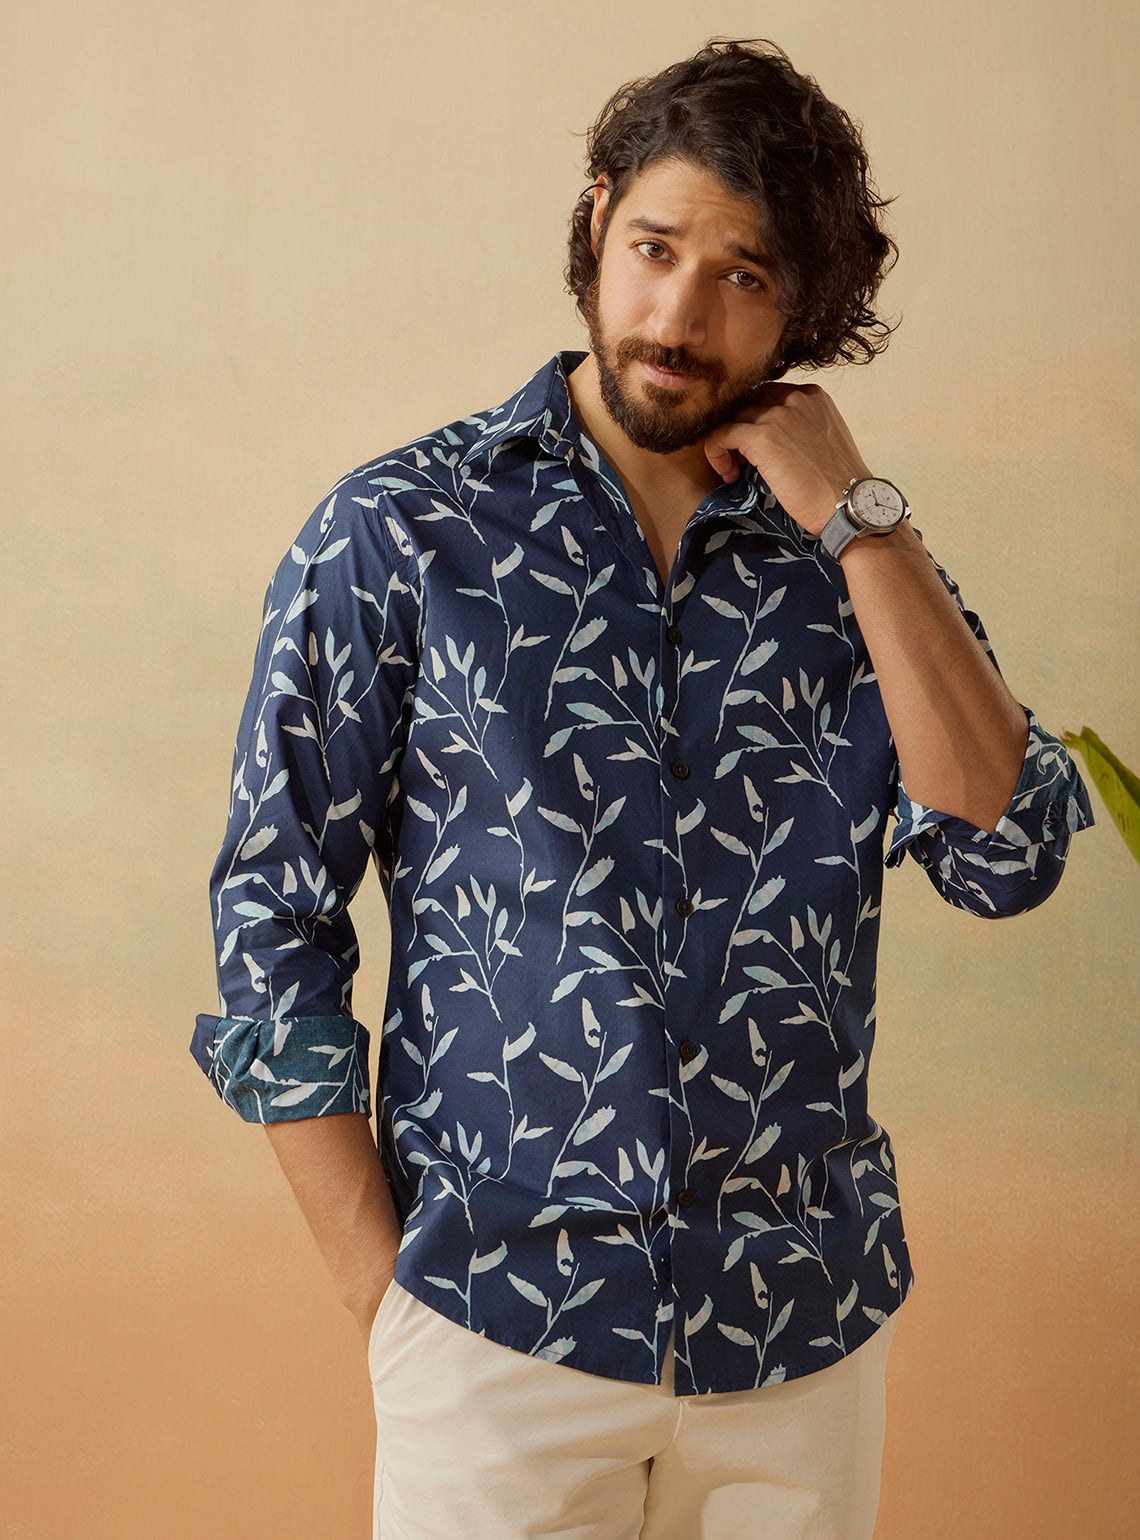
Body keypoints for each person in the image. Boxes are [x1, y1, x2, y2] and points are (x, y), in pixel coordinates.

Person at [192, 38, 1092, 1540]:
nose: (677, 316)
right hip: (496, 1330)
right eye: (656, 250)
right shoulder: (404, 534)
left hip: (796, 1341)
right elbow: (270, 917)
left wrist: (863, 521)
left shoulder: (846, 570)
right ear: (598, 218)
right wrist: (385, 1301)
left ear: (804, 306)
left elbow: (1008, 855)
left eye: (742, 276)